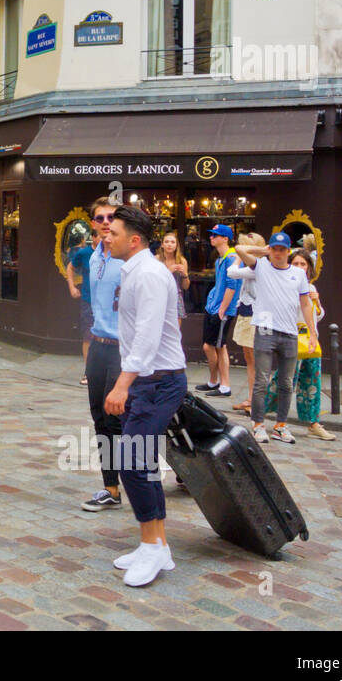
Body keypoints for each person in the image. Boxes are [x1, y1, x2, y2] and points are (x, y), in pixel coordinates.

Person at [103, 205, 188, 587]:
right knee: (141, 462)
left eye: (113, 232)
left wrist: (122, 384)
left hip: (158, 381)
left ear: (134, 239)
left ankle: (153, 547)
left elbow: (148, 337)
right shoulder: (136, 270)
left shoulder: (150, 275)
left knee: (132, 463)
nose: (106, 235)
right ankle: (157, 544)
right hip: (148, 381)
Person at [231, 232, 319, 444]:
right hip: (266, 329)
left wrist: (313, 332)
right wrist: (264, 251)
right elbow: (240, 250)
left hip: (289, 332)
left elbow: (306, 304)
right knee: (262, 380)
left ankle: (280, 425)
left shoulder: (298, 275)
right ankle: (258, 424)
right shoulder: (261, 266)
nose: (278, 253)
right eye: (275, 249)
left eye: (282, 250)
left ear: (288, 252)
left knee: (287, 383)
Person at [81, 197, 125, 513]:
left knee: (121, 418)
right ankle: (111, 487)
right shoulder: (95, 258)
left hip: (125, 349)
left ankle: (148, 477)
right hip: (98, 344)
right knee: (100, 416)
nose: (106, 222)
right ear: (93, 223)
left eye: (112, 217)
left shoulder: (131, 260)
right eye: (100, 218)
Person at [263, 249, 336, 441]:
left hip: (310, 341)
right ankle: (263, 414)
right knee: (285, 381)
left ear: (309, 269)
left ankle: (313, 423)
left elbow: (318, 315)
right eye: (296, 264)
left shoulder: (311, 288)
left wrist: (316, 302)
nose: (300, 268)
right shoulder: (284, 286)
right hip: (291, 339)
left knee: (312, 382)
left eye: (303, 264)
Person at [197, 224, 241, 400]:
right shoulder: (220, 260)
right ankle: (215, 381)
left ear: (225, 238)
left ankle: (224, 385)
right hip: (214, 306)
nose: (212, 237)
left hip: (222, 309)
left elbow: (232, 286)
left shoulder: (231, 258)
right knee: (215, 345)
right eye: (212, 234)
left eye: (216, 235)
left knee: (217, 346)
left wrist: (222, 309)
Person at [227, 232, 264, 414]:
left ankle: (256, 400)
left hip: (255, 315)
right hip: (246, 311)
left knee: (254, 360)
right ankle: (252, 398)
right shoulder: (255, 266)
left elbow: (232, 272)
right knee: (249, 358)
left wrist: (237, 260)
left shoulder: (257, 267)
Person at [65, 237, 94, 386]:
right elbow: (70, 267)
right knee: (88, 335)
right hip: (88, 299)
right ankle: (88, 371)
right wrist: (72, 287)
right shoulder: (85, 253)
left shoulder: (112, 253)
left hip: (109, 302)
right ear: (94, 238)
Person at [157, 230, 190, 319]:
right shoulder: (156, 260)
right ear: (162, 245)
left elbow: (186, 287)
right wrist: (168, 272)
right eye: (166, 242)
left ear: (176, 246)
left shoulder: (182, 261)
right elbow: (152, 283)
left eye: (172, 242)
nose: (169, 244)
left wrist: (185, 275)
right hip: (158, 297)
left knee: (176, 330)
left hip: (176, 296)